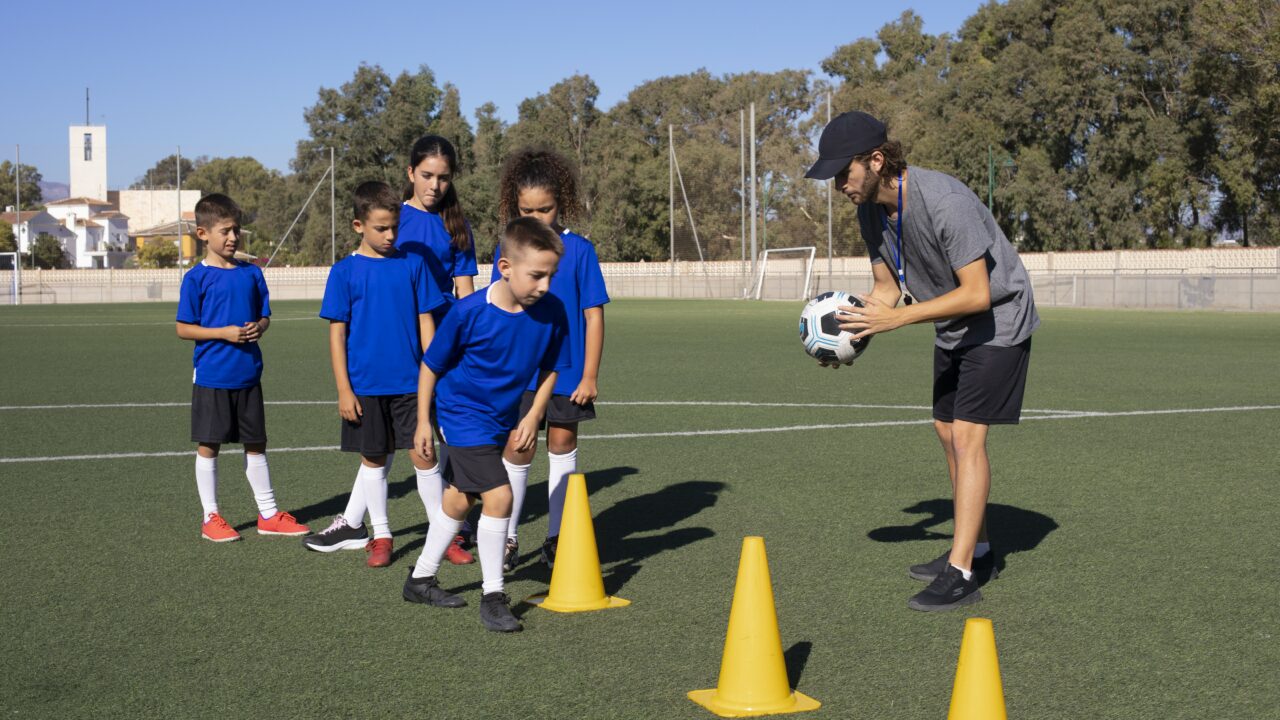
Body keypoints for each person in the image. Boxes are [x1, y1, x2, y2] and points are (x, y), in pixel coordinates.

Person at [805, 111, 1040, 612]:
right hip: (953, 324)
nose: (838, 185)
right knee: (945, 432)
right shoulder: (870, 212)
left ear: (876, 160)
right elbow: (886, 289)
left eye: (843, 172)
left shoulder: (945, 201)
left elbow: (977, 293)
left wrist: (898, 320)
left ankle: (961, 572)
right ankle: (976, 548)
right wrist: (848, 336)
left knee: (968, 436)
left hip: (998, 320)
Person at [402, 216, 569, 633]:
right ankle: (493, 596)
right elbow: (430, 366)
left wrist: (533, 414)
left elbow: (551, 368)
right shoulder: (469, 312)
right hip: (460, 415)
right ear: (505, 267)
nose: (545, 285)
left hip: (501, 419)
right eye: (536, 275)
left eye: (551, 275)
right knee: (499, 496)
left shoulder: (553, 311)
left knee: (460, 500)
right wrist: (423, 422)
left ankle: (419, 579)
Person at [303, 181, 445, 568]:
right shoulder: (344, 272)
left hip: (411, 384)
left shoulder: (413, 264)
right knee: (374, 460)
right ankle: (381, 535)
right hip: (365, 386)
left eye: (394, 227)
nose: (390, 235)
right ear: (358, 226)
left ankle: (442, 533)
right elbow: (337, 335)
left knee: (425, 454)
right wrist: (344, 389)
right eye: (381, 228)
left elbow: (426, 322)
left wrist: (433, 372)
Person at [491, 147, 609, 571]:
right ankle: (506, 537)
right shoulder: (507, 251)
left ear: (563, 203)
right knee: (517, 447)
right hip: (520, 374)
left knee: (561, 444)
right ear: (515, 206)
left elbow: (593, 316)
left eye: (546, 209)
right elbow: (499, 311)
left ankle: (558, 537)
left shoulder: (580, 250)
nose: (537, 218)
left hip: (568, 373)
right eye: (527, 210)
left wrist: (589, 375)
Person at [176, 193, 309, 542]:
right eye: (225, 231)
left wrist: (259, 327)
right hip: (213, 376)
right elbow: (183, 328)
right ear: (203, 234)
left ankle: (268, 515)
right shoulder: (196, 278)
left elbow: (265, 317)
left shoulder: (251, 273)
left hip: (248, 374)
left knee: (256, 444)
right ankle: (211, 517)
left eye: (236, 230)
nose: (233, 237)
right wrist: (222, 333)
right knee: (209, 445)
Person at [398, 134, 479, 566]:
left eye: (443, 178)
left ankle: (452, 523)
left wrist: (472, 341)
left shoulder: (456, 224)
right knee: (404, 433)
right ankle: (366, 523)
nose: (434, 185)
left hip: (446, 339)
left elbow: (465, 292)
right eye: (427, 175)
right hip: (401, 337)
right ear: (410, 172)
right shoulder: (393, 219)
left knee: (448, 428)